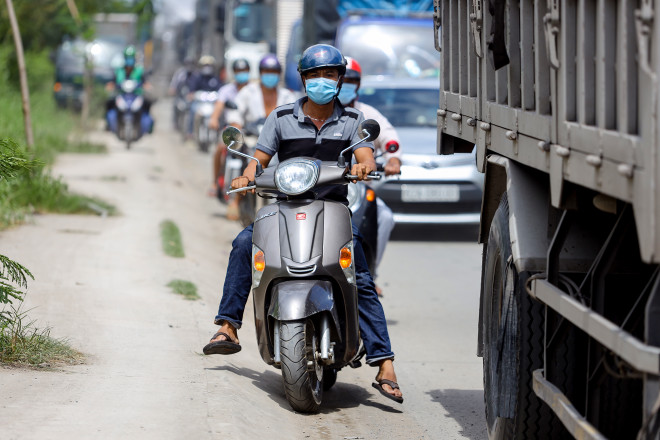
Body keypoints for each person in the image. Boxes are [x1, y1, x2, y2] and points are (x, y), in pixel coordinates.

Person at [202, 44, 403, 403]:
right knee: (244, 244)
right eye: (314, 75)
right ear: (303, 78)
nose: (321, 81)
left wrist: (363, 165)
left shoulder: (353, 121)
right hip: (284, 207)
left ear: (340, 79)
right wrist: (246, 176)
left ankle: (383, 362)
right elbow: (258, 159)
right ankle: (228, 326)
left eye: (329, 74)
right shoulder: (280, 118)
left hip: (332, 210)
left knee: (360, 272)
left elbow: (365, 154)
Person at [338, 56, 402, 295]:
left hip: (357, 189)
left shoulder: (366, 114)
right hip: (319, 186)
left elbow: (388, 137)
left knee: (384, 217)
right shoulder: (316, 112)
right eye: (340, 78)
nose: (345, 84)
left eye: (351, 80)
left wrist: (393, 158)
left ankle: (369, 273)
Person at [221, 54, 297, 220]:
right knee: (247, 164)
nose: (270, 74)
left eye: (274, 71)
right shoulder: (247, 92)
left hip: (279, 144)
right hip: (252, 139)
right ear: (261, 72)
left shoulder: (287, 96)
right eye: (267, 71)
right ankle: (236, 199)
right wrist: (237, 125)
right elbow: (235, 113)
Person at [207, 58, 251, 197]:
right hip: (231, 130)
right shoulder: (226, 90)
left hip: (251, 131)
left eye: (244, 71)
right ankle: (214, 182)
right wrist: (214, 118)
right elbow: (219, 106)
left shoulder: (253, 91)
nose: (241, 74)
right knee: (220, 148)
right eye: (238, 71)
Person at [106, 46, 153, 134]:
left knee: (148, 103)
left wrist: (147, 86)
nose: (129, 60)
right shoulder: (119, 71)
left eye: (131, 58)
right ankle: (108, 125)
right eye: (128, 58)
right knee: (109, 103)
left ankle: (148, 127)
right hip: (122, 94)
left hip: (135, 95)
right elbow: (112, 81)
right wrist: (111, 85)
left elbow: (145, 81)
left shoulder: (139, 70)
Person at [186, 55, 222, 139]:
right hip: (199, 103)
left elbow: (221, 91)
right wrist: (191, 95)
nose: (207, 68)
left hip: (211, 103)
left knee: (220, 112)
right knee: (192, 110)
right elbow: (191, 90)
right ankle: (190, 132)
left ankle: (220, 131)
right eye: (205, 65)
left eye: (209, 65)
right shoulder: (197, 77)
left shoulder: (215, 79)